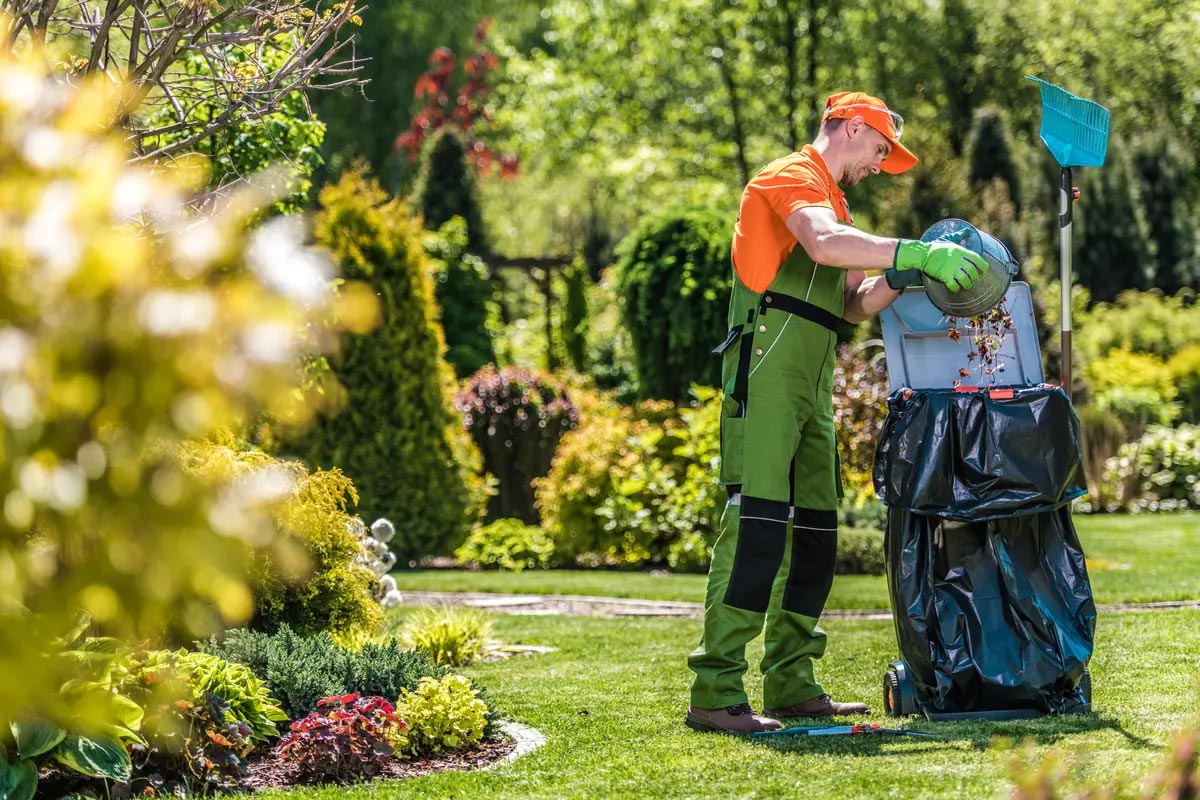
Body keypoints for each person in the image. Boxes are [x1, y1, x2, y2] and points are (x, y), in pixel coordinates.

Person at [685, 91, 989, 734]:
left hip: (814, 377)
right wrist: (911, 250)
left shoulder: (837, 202)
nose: (879, 165)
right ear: (851, 128)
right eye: (879, 150)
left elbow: (853, 304)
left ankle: (792, 682)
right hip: (767, 367)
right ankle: (715, 691)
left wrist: (904, 277)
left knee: (816, 537)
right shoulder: (791, 177)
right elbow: (822, 245)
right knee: (758, 527)